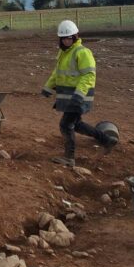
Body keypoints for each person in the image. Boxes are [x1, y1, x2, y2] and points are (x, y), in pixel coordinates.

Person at [41, 20, 116, 167]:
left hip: (78, 97)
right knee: (77, 124)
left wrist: (79, 94)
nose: (66, 41)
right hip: (69, 97)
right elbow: (58, 73)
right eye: (63, 38)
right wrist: (48, 87)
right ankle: (107, 140)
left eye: (69, 38)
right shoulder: (63, 53)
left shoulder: (82, 52)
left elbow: (89, 76)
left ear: (75, 36)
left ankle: (69, 158)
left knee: (65, 125)